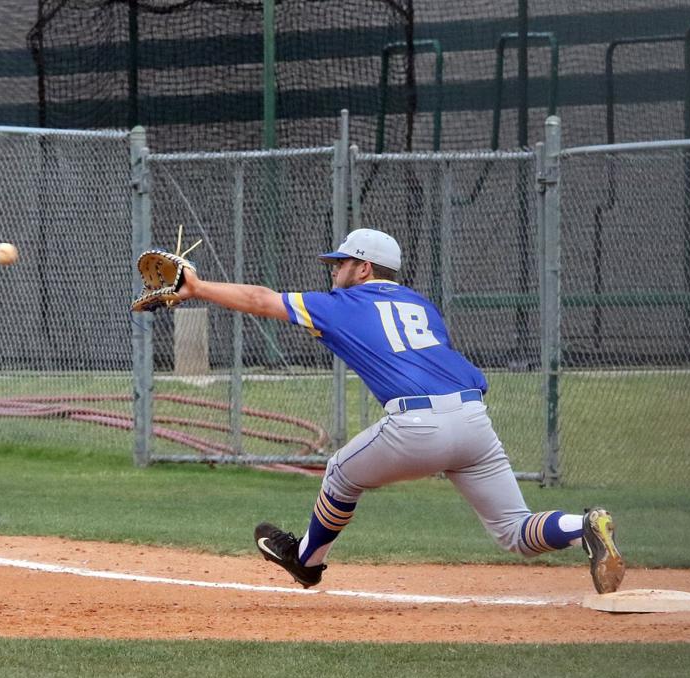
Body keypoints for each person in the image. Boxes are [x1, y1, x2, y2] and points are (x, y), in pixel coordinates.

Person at [173, 228, 625, 594]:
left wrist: (196, 287)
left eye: (340, 264)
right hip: (473, 422)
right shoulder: (421, 305)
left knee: (339, 473)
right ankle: (583, 525)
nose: (334, 273)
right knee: (514, 530)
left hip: (417, 425)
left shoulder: (342, 304)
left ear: (364, 267)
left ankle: (307, 562)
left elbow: (260, 299)